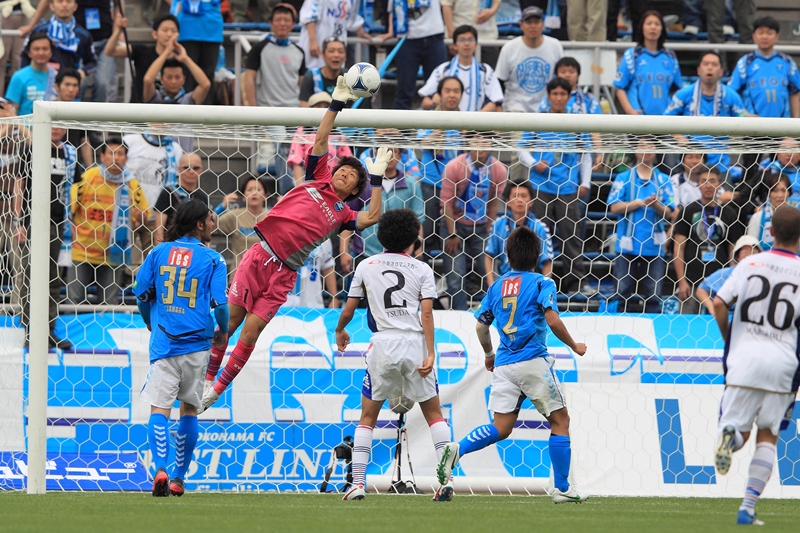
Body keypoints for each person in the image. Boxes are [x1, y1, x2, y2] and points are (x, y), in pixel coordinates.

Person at [201, 78, 391, 409]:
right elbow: (320, 139)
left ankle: (215, 392)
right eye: (342, 170)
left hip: (284, 274)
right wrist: (335, 105)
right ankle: (204, 380)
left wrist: (376, 179)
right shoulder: (318, 177)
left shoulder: (343, 214)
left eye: (351, 176)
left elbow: (373, 216)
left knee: (250, 334)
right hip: (259, 256)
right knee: (228, 324)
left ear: (353, 190)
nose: (343, 174)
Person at [436, 225, 588, 503]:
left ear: (507, 256)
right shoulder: (543, 283)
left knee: (501, 427)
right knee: (560, 421)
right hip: (533, 360)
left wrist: (489, 354)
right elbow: (552, 319)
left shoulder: (496, 286)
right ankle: (563, 488)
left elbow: (481, 326)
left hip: (505, 364)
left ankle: (458, 449)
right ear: (538, 256)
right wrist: (574, 345)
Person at [335, 208, 454, 501]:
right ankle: (446, 481)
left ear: (380, 235)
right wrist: (431, 353)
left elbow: (349, 308)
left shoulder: (366, 265)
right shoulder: (422, 269)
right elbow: (427, 314)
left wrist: (340, 329)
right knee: (434, 415)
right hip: (414, 344)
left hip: (383, 344)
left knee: (367, 417)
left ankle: (357, 484)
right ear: (413, 239)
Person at [711, 205, 800, 526]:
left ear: (770, 232)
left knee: (739, 430)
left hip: (744, 359)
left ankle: (730, 437)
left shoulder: (749, 264)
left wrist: (729, 338)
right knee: (768, 435)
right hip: (783, 364)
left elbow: (718, 302)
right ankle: (747, 508)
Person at [134, 199, 228, 497]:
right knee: (189, 409)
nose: (213, 224)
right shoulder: (214, 259)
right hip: (198, 345)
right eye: (210, 219)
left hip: (164, 343)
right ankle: (178, 477)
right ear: (199, 224)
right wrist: (223, 330)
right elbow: (221, 305)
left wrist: (149, 320)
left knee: (159, 409)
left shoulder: (158, 252)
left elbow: (141, 294)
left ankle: (160, 468)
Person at [519, 77, 590, 293]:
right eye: (555, 94)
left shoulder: (576, 122)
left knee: (571, 238)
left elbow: (585, 154)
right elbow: (521, 149)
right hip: (540, 187)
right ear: (548, 96)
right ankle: (532, 282)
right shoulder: (538, 120)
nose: (559, 98)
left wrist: (585, 182)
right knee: (537, 236)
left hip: (567, 188)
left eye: (563, 94)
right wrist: (534, 163)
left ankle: (576, 284)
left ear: (568, 97)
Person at [13, 126, 74, 349]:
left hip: (57, 223)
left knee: (53, 278)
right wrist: (19, 221)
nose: (56, 129)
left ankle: (49, 330)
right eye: (52, 125)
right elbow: (19, 185)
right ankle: (30, 331)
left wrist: (72, 220)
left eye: (60, 125)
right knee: (31, 277)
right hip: (32, 222)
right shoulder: (31, 149)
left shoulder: (67, 153)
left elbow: (71, 189)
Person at [69, 138, 149, 305]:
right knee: (74, 302)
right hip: (83, 251)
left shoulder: (132, 184)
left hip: (114, 254)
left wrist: (140, 216)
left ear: (126, 158)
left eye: (120, 154)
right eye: (111, 153)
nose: (115, 158)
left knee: (109, 304)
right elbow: (69, 209)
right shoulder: (88, 177)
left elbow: (142, 219)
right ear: (102, 156)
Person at [607, 142, 675, 313]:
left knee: (654, 296)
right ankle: (620, 325)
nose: (646, 150)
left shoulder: (664, 180)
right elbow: (614, 207)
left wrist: (655, 205)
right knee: (621, 294)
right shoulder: (623, 177)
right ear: (635, 151)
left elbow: (671, 212)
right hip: (627, 245)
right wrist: (637, 203)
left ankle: (653, 327)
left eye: (650, 146)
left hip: (654, 246)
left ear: (656, 152)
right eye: (642, 146)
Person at [440, 138, 506, 310]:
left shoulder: (498, 169)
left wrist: (489, 226)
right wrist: (452, 233)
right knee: (455, 276)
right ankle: (459, 314)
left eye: (485, 142)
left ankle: (496, 312)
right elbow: (446, 203)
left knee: (491, 273)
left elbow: (494, 201)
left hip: (481, 226)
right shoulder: (454, 166)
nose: (480, 146)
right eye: (476, 142)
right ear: (468, 144)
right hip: (454, 224)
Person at [341, 144, 424, 272]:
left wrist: (418, 249)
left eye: (394, 152)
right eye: (385, 152)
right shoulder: (362, 184)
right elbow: (348, 217)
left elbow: (418, 220)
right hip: (366, 254)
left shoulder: (411, 184)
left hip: (401, 256)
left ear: (400, 156)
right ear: (376, 155)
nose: (390, 156)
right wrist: (343, 251)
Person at [673, 166, 743, 314]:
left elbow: (733, 250)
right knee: (687, 323)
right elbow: (679, 248)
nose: (708, 185)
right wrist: (682, 281)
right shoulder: (688, 211)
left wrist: (732, 281)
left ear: (719, 184)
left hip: (720, 282)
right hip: (691, 281)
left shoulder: (729, 213)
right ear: (697, 184)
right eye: (704, 181)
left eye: (712, 181)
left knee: (718, 323)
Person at [418, 76, 462, 257]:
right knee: (427, 233)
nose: (452, 95)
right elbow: (423, 143)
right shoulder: (429, 118)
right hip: (431, 184)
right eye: (447, 90)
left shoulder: (467, 121)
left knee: (452, 236)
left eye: (456, 91)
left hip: (456, 186)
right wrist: (442, 127)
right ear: (439, 94)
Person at [418, 25, 503, 112]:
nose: (466, 44)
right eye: (462, 40)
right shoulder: (442, 69)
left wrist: (474, 118)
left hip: (475, 119)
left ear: (476, 44)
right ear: (455, 45)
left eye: (470, 40)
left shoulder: (486, 71)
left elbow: (495, 102)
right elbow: (425, 102)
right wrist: (433, 101)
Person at [728, 17, 800, 119]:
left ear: (777, 37)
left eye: (769, 33)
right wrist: (745, 114)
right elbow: (731, 93)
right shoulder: (745, 62)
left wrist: (796, 122)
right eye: (760, 33)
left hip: (782, 125)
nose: (764, 37)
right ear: (754, 36)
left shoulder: (787, 62)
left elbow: (794, 93)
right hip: (752, 125)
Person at [614, 10, 682, 116]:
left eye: (657, 24)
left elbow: (677, 89)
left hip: (665, 120)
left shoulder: (670, 56)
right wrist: (630, 111)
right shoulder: (632, 55)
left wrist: (672, 112)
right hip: (639, 120)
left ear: (662, 29)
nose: (653, 27)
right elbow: (619, 87)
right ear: (642, 27)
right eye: (649, 23)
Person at [494, 6, 562, 113]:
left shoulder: (555, 46)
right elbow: (499, 80)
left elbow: (561, 80)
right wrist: (499, 108)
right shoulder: (509, 48)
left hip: (547, 107)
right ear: (521, 25)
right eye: (528, 22)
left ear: (542, 24)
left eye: (536, 22)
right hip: (515, 107)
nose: (533, 26)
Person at [485, 181, 553, 284]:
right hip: (505, 282)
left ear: (531, 202)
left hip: (530, 284)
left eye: (524, 196)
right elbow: (489, 256)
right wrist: (491, 285)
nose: (519, 200)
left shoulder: (540, 228)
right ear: (507, 201)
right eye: (515, 196)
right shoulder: (498, 225)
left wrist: (542, 287)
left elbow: (547, 261)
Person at [384, 0, 447, 111]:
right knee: (404, 89)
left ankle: (437, 122)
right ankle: (400, 122)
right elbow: (392, 8)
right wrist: (390, 31)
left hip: (434, 36)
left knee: (437, 90)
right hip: (407, 39)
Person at [104, 13, 180, 104]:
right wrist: (118, 30)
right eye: (165, 30)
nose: (169, 34)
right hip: (139, 107)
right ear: (154, 34)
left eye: (174, 31)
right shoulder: (142, 51)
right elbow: (110, 51)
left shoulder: (181, 58)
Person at [287, 92, 354, 185]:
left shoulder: (337, 134)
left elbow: (348, 160)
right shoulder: (302, 132)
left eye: (326, 106)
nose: (322, 110)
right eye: (318, 106)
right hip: (309, 182)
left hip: (331, 184)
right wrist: (300, 186)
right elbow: (296, 160)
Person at [215, 174, 269, 283]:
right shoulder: (235, 216)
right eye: (249, 190)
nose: (254, 192)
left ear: (265, 195)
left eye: (258, 189)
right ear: (243, 197)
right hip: (239, 276)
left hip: (265, 276)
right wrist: (222, 206)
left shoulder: (271, 216)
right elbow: (209, 224)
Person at [22, 0, 97, 77]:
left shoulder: (83, 34)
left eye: (68, 1)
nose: (64, 5)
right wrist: (26, 77)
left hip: (69, 81)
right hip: (41, 79)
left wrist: (83, 72)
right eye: (60, 1)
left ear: (75, 7)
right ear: (52, 6)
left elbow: (92, 62)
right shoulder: (40, 31)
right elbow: (25, 55)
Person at [168, 0, 223, 104]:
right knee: (186, 74)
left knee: (207, 75)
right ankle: (184, 110)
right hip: (185, 26)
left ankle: (206, 111)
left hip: (212, 27)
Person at [695, 235, 761, 316]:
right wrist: (712, 308)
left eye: (754, 252)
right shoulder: (726, 273)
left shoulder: (764, 275)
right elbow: (701, 290)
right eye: (745, 252)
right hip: (727, 317)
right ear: (737, 256)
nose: (750, 255)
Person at [153, 153, 209, 245]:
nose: (191, 171)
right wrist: (160, 251)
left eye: (196, 168)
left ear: (201, 169)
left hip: (197, 249)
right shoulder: (168, 193)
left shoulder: (202, 196)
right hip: (172, 248)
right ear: (179, 169)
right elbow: (159, 229)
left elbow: (207, 229)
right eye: (186, 168)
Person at [298, 0, 370, 71]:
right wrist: (312, 40)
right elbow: (310, 15)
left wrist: (361, 33)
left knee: (336, 72)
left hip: (337, 43)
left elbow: (352, 18)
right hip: (317, 43)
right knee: (312, 72)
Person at [142, 40, 211, 106]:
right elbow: (148, 80)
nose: (173, 81)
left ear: (184, 79)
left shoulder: (189, 100)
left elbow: (205, 85)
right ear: (162, 79)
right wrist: (165, 53)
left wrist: (185, 58)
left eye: (178, 77)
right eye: (169, 77)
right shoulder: (155, 97)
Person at [5, 32, 56, 115]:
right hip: (25, 123)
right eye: (36, 49)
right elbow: (12, 112)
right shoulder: (19, 77)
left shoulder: (56, 76)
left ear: (51, 52)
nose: (41, 53)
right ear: (29, 53)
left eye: (45, 49)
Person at [440, 0, 501, 66]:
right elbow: (446, 5)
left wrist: (492, 10)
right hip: (460, 37)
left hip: (486, 37)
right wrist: (452, 38)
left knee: (487, 70)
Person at [284, 239, 338, 309]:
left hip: (313, 303)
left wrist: (334, 297)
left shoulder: (324, 238)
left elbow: (327, 268)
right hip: (283, 304)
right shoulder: (281, 235)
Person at [746, 172, 790, 252]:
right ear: (768, 193)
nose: (780, 195)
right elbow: (751, 248)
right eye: (775, 191)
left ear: (789, 193)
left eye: (783, 190)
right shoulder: (757, 218)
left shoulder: (795, 219)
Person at [298, 36, 346, 106]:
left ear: (345, 56)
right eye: (331, 51)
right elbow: (304, 107)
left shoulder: (349, 79)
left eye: (340, 51)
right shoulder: (311, 77)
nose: (336, 55)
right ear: (323, 55)